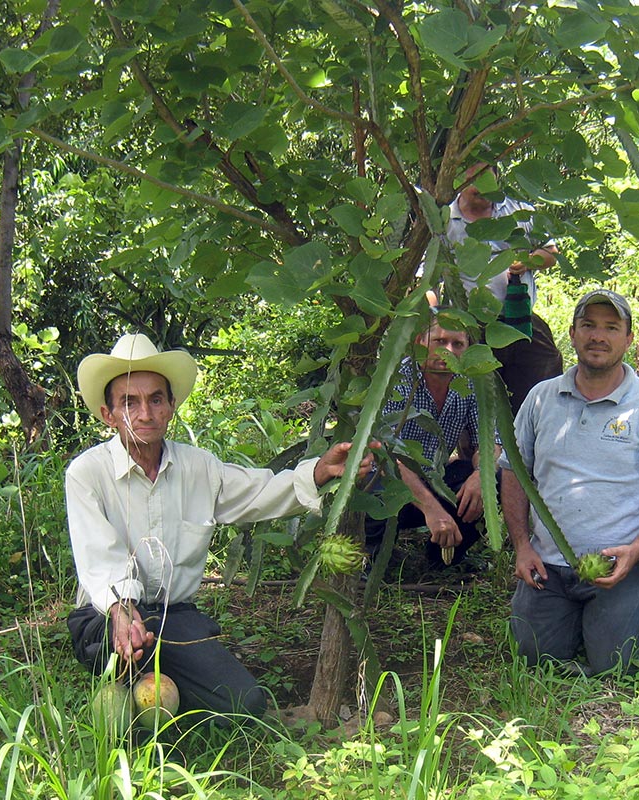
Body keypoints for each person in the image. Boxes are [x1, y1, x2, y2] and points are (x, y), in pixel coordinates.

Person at [64, 333, 372, 723]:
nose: (145, 413)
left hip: (172, 616)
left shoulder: (198, 468)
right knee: (110, 647)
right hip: (108, 615)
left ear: (171, 406)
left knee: (245, 704)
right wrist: (123, 612)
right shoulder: (87, 474)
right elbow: (99, 557)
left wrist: (319, 471)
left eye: (156, 399)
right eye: (129, 402)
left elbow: (258, 491)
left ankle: (167, 682)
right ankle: (132, 685)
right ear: (108, 414)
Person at [502, 290, 639, 675]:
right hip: (550, 565)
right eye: (589, 325)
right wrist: (522, 546)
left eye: (611, 327)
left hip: (620, 564)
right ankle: (582, 616)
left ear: (627, 339)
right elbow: (514, 470)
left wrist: (637, 550)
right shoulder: (541, 399)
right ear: (573, 334)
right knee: (533, 657)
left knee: (619, 664)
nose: (598, 336)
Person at [366, 314, 494, 570]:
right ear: (419, 342)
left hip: (435, 478)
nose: (448, 351)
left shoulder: (469, 383)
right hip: (388, 484)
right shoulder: (397, 380)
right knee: (375, 481)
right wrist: (431, 508)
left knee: (493, 479)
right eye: (439, 341)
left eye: (457, 344)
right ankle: (371, 555)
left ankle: (445, 556)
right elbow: (386, 456)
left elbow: (491, 441)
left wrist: (481, 475)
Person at [444, 163, 563, 414]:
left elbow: (552, 253)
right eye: (474, 178)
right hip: (469, 324)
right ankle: (478, 450)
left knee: (545, 369)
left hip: (519, 318)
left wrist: (529, 261)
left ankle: (538, 438)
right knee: (475, 400)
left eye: (487, 178)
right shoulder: (445, 218)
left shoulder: (518, 211)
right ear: (459, 181)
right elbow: (428, 271)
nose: (481, 186)